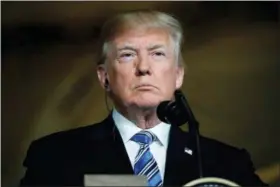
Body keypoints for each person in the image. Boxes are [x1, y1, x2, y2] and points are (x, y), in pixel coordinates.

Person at [20, 10, 267, 186]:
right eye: (127, 55)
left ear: (178, 75)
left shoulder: (226, 164)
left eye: (158, 54)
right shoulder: (54, 158)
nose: (144, 67)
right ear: (104, 77)